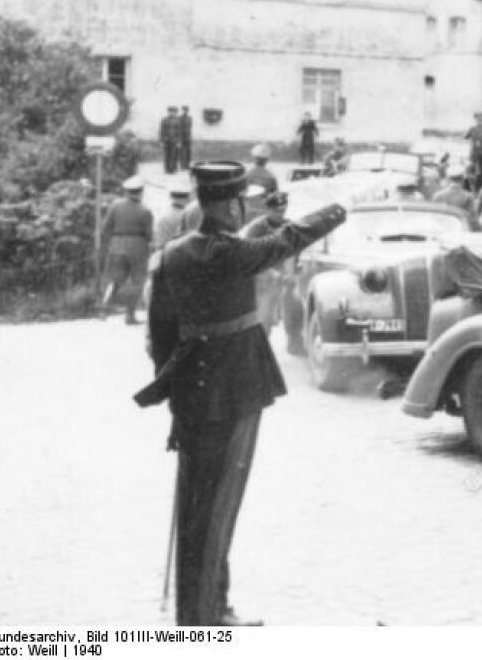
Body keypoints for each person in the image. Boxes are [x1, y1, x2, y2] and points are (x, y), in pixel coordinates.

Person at [135, 161, 347, 626]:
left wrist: (174, 393)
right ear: (231, 204)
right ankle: (203, 619)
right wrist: (337, 210)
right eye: (242, 202)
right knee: (220, 504)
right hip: (236, 391)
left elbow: (161, 334)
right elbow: (290, 239)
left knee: (198, 503)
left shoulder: (171, 255)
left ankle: (207, 608)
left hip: (192, 391)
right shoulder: (234, 253)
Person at [99, 176, 154, 324]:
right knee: (137, 281)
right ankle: (130, 315)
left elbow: (105, 228)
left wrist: (107, 245)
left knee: (115, 279)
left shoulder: (115, 206)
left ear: (126, 192)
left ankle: (104, 307)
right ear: (141, 192)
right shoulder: (145, 211)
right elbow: (149, 235)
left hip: (116, 243)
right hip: (138, 245)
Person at [240, 191, 291, 334]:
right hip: (263, 280)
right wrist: (270, 273)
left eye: (283, 210)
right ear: (267, 209)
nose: (280, 214)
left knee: (293, 310)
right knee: (264, 318)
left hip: (284, 277)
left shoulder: (289, 226)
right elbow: (249, 256)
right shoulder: (257, 228)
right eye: (276, 211)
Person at [153, 178, 193, 251]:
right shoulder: (191, 215)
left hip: (169, 256)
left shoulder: (164, 216)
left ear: (171, 196)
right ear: (188, 197)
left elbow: (160, 244)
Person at [159, 106, 181, 174]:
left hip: (174, 140)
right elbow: (161, 131)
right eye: (170, 112)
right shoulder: (164, 120)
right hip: (166, 140)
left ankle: (173, 169)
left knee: (174, 155)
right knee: (167, 155)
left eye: (173, 112)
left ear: (175, 113)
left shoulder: (178, 121)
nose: (172, 113)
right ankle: (167, 169)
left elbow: (179, 132)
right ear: (168, 112)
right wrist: (161, 141)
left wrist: (179, 141)